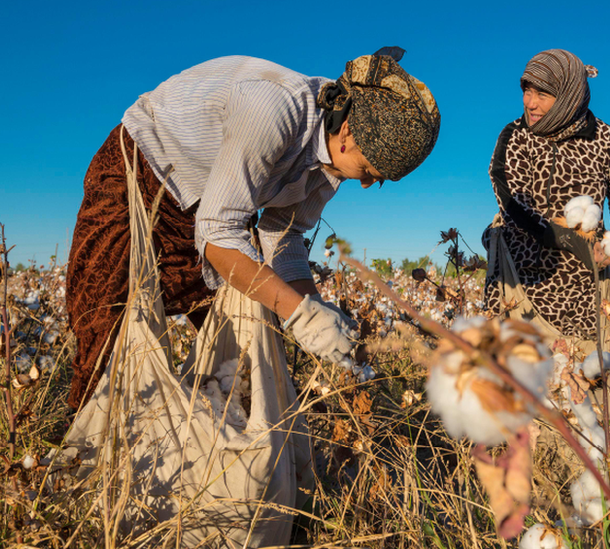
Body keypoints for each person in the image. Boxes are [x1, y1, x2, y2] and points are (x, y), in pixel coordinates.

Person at [66, 50, 441, 410]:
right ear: (347, 133)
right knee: (105, 327)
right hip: (140, 175)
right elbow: (217, 234)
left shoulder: (329, 169)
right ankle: (86, 457)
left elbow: (284, 236)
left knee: (237, 350)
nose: (365, 184)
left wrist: (317, 311)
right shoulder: (274, 109)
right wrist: (299, 314)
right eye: (371, 171)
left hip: (212, 206)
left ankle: (209, 452)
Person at [483, 49, 610, 452]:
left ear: (569, 94)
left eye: (543, 93)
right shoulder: (514, 138)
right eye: (526, 90)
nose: (530, 102)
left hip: (591, 289)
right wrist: (571, 241)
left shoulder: (605, 139)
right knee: (539, 398)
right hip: (527, 283)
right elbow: (512, 204)